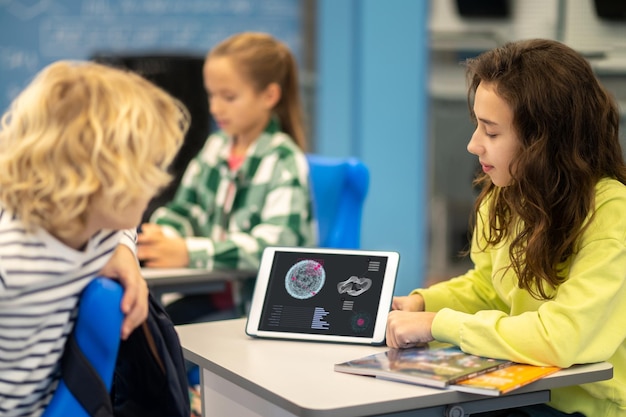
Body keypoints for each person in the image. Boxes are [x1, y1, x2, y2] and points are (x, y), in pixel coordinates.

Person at [386, 39, 626, 416]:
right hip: (523, 391)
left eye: (491, 132)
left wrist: (437, 323)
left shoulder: (613, 212)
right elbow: (490, 287)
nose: (473, 145)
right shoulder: (508, 194)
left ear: (544, 142)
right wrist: (422, 303)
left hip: (585, 407)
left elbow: (562, 338)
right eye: (476, 127)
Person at [0, 60, 189, 417]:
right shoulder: (11, 264)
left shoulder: (97, 230)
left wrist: (124, 250)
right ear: (98, 177)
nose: (159, 183)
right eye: (149, 167)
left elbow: (122, 227)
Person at [137, 32, 316, 324]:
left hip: (253, 309)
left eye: (229, 97)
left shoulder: (284, 160)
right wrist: (162, 236)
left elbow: (273, 251)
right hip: (208, 293)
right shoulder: (216, 147)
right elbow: (186, 210)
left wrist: (187, 253)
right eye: (211, 95)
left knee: (159, 335)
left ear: (269, 96)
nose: (214, 108)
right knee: (146, 327)